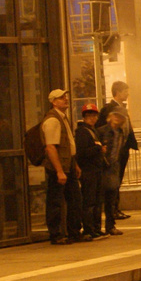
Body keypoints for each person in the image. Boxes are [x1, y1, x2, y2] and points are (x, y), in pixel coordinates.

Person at [41, 88, 81, 244]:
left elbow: (67, 145)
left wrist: (74, 164)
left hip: (68, 165)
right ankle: (56, 234)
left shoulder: (63, 118)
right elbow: (50, 147)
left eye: (65, 97)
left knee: (75, 199)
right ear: (53, 102)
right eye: (61, 98)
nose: (65, 99)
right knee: (56, 201)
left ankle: (74, 232)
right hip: (58, 168)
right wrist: (59, 171)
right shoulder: (52, 120)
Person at [97, 82, 137, 221]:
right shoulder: (109, 109)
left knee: (118, 180)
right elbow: (102, 129)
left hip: (122, 149)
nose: (127, 94)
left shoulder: (121, 108)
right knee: (113, 181)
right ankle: (113, 209)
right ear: (118, 92)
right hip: (114, 152)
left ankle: (115, 208)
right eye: (126, 91)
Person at [73, 103, 106, 240]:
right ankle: (89, 228)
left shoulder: (94, 131)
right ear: (84, 117)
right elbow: (81, 153)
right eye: (89, 116)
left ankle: (96, 228)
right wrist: (98, 149)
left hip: (97, 170)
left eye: (94, 115)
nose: (92, 118)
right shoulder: (82, 132)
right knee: (89, 201)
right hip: (88, 171)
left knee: (97, 201)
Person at [98, 109, 127, 236]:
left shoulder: (120, 132)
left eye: (119, 116)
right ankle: (97, 227)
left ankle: (110, 226)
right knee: (100, 198)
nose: (117, 118)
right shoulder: (102, 131)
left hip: (114, 166)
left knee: (111, 198)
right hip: (103, 167)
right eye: (114, 115)